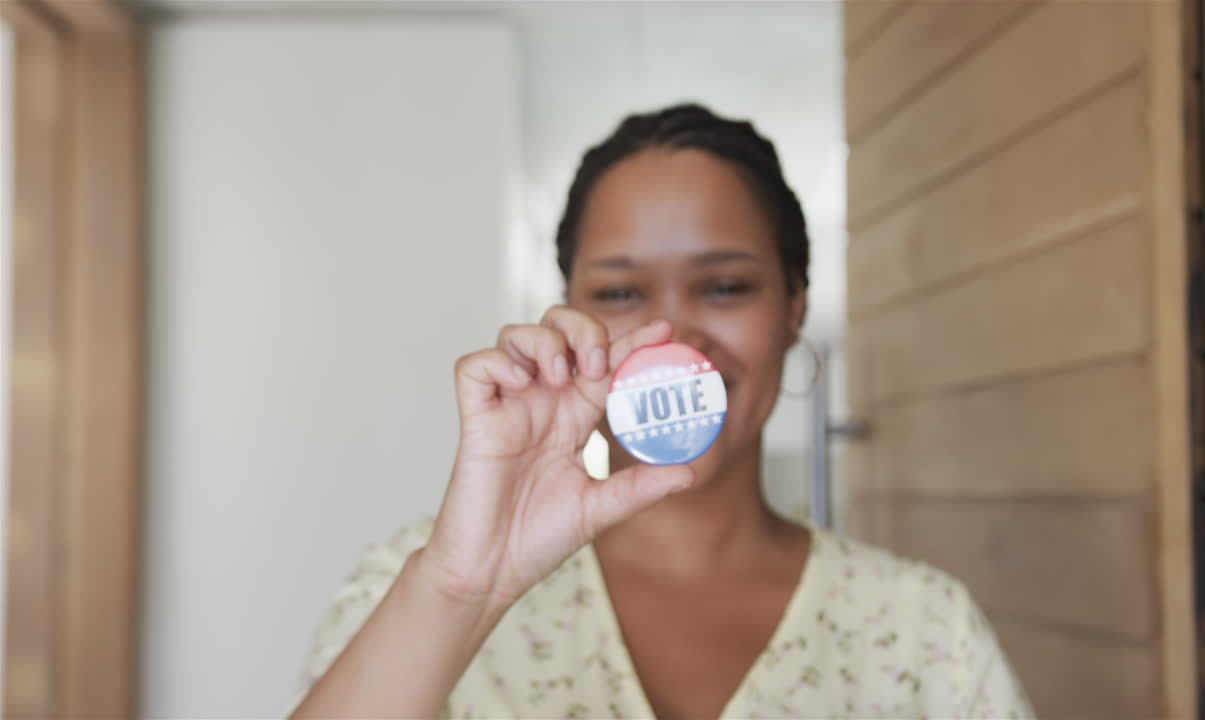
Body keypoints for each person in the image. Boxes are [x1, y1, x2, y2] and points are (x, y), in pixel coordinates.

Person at [289, 104, 1034, 719]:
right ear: (569, 310)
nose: (671, 338)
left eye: (726, 286)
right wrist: (461, 590)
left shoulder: (926, 630)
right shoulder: (418, 584)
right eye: (620, 293)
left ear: (793, 310)